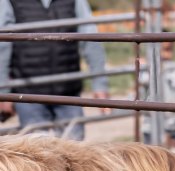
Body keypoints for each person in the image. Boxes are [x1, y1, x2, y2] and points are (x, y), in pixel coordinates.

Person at [0, 0, 109, 140]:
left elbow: (90, 38)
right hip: (29, 93)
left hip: (68, 91)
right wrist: (4, 91)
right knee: (37, 153)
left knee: (74, 152)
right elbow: (3, 45)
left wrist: (100, 83)